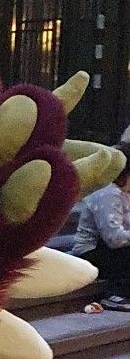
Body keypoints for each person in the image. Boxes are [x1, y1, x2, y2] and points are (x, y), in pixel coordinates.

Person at [74, 126, 130, 309]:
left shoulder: (126, 192)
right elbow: (114, 238)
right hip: (91, 252)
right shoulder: (108, 193)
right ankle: (114, 294)